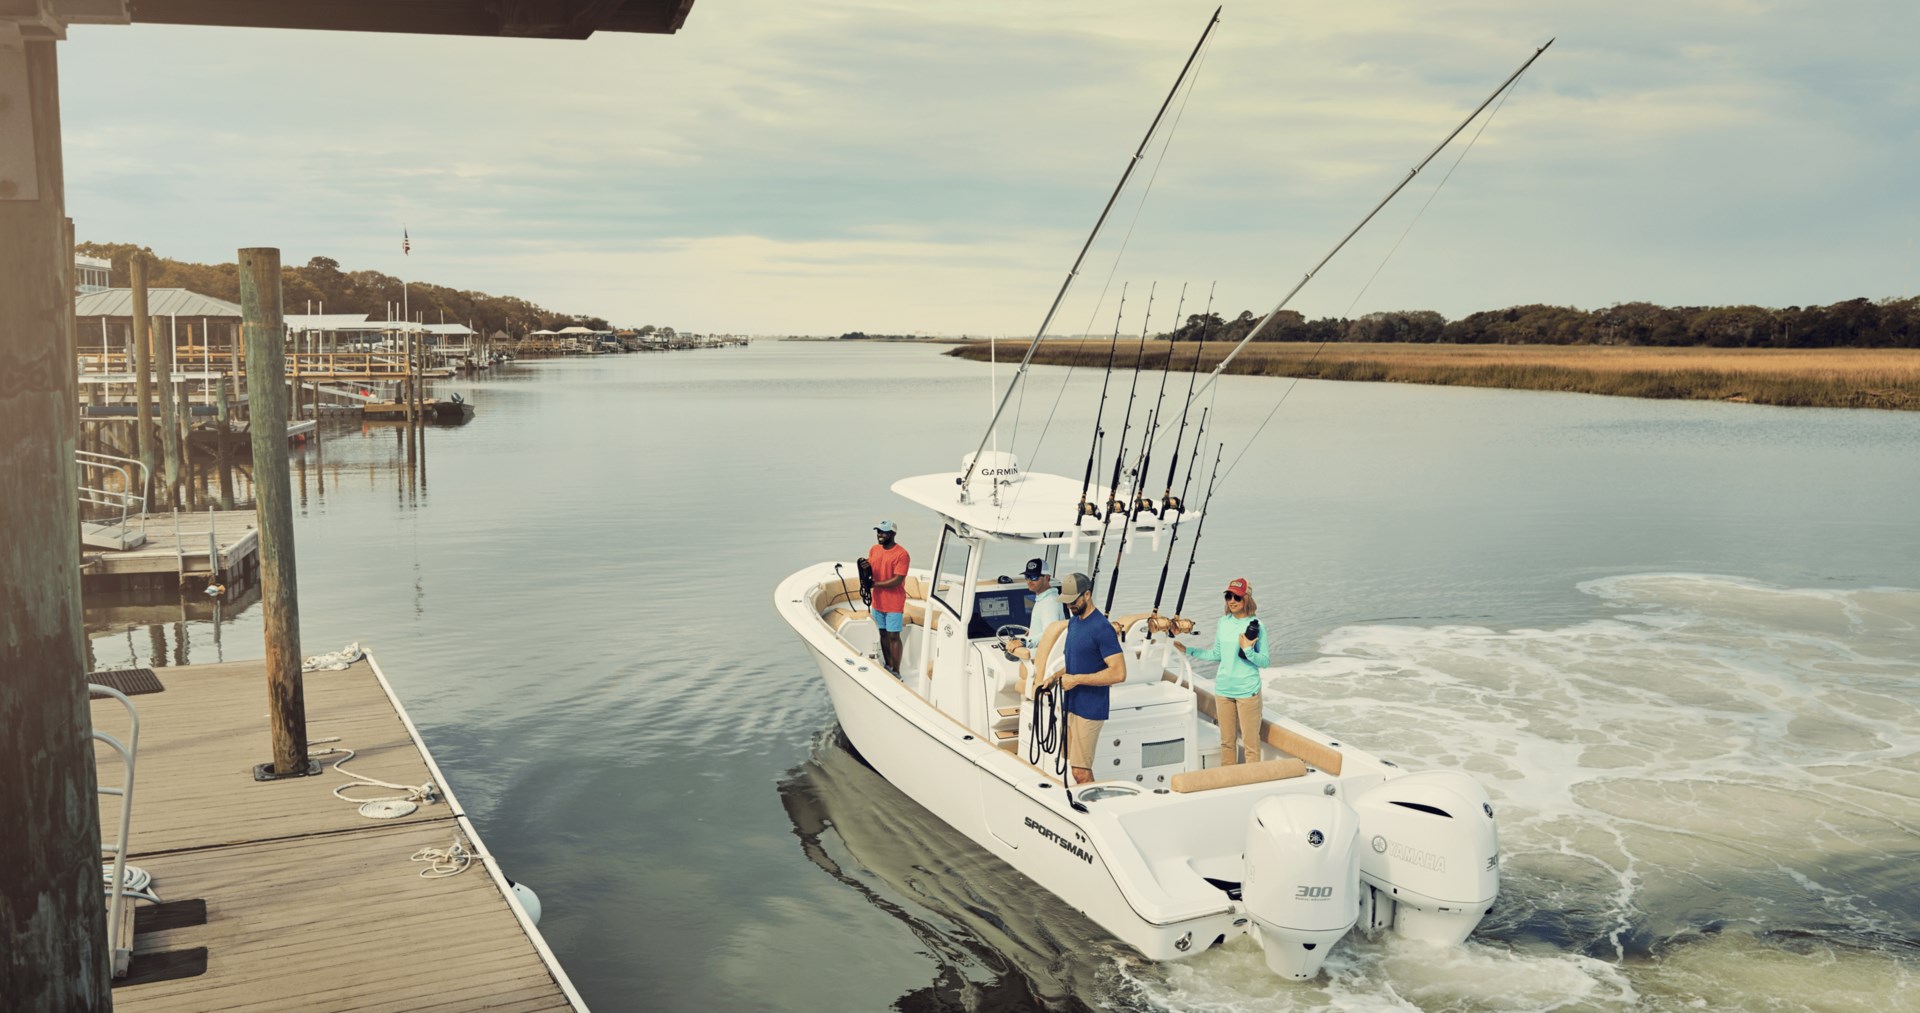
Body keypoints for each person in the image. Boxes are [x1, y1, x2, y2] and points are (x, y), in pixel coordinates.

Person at [1037, 572, 1125, 785]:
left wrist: (1076, 680)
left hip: (1090, 709)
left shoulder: (1102, 629)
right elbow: (1079, 662)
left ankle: (1097, 812)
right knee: (1071, 764)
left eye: (1073, 601)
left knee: (1080, 772)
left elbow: (1118, 673)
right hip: (1071, 705)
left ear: (1087, 594)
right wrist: (1055, 677)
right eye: (1066, 602)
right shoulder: (1075, 622)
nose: (1070, 606)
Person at [1173, 577, 1269, 765]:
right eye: (1228, 596)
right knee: (1226, 743)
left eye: (1237, 597)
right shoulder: (1223, 622)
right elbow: (1217, 654)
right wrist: (1189, 650)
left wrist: (1248, 650)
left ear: (1246, 599)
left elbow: (1264, 661)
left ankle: (1251, 785)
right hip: (1224, 691)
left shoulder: (1257, 625)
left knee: (1250, 745)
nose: (1232, 601)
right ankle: (1230, 782)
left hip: (1247, 692)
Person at [1003, 558, 1066, 694]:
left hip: (1040, 663)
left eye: (1034, 577)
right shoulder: (1044, 598)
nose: (1029, 581)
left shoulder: (1049, 603)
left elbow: (1050, 633)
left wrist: (1024, 642)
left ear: (1047, 578)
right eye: (1027, 576)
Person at [867, 520, 910, 676]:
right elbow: (870, 569)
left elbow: (897, 580)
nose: (880, 535)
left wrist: (875, 584)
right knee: (883, 633)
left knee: (893, 636)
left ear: (892, 534)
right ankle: (888, 665)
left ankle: (897, 671)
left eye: (883, 532)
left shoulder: (901, 554)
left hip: (894, 603)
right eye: (878, 531)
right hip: (877, 601)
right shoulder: (874, 550)